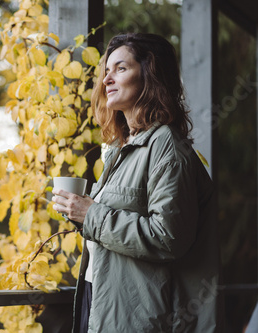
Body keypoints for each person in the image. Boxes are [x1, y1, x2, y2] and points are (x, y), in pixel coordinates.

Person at [52, 33, 222, 332]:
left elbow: (168, 238)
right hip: (99, 298)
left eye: (120, 68)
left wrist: (92, 214)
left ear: (150, 74)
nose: (107, 80)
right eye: (107, 71)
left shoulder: (165, 145)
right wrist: (79, 213)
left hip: (137, 317)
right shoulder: (122, 148)